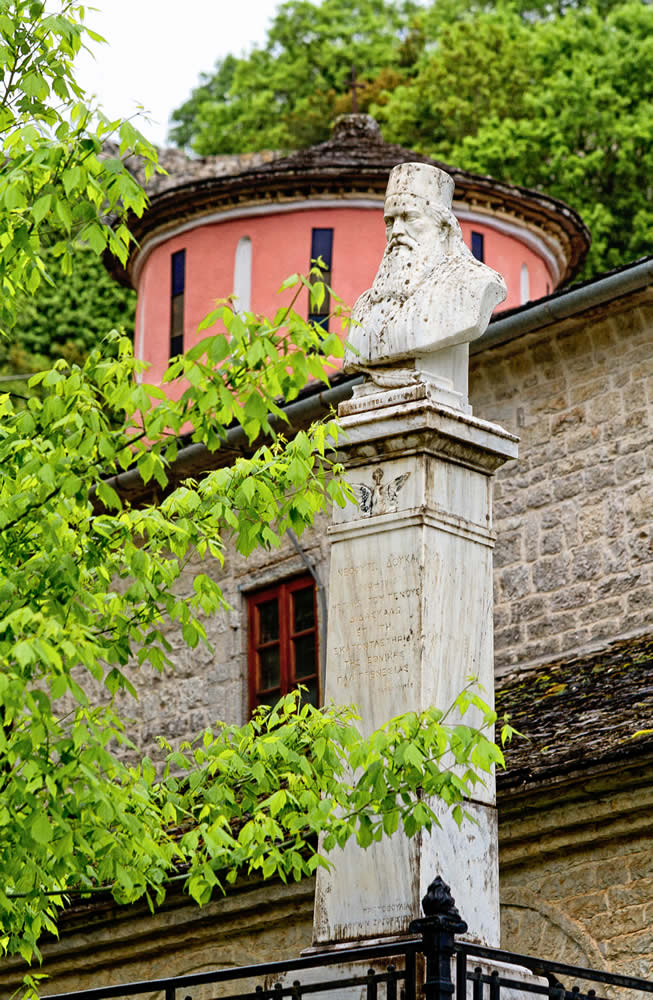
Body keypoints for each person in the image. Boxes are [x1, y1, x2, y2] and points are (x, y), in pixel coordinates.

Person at [343, 162, 506, 383]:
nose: (397, 232)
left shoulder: (472, 285)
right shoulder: (364, 307)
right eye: (390, 222)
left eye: (409, 217)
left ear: (443, 229)